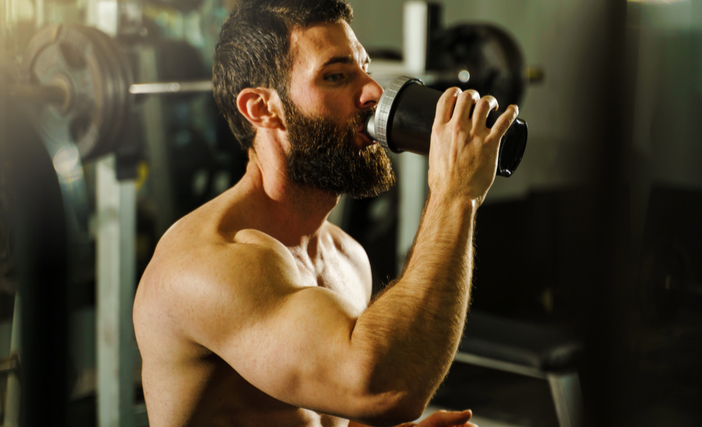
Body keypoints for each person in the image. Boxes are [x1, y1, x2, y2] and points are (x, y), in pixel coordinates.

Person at [133, 0, 519, 425]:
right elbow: (383, 388)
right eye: (335, 76)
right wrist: (453, 194)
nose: (372, 91)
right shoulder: (208, 267)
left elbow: (349, 410)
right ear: (262, 109)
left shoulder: (344, 255)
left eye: (364, 67)